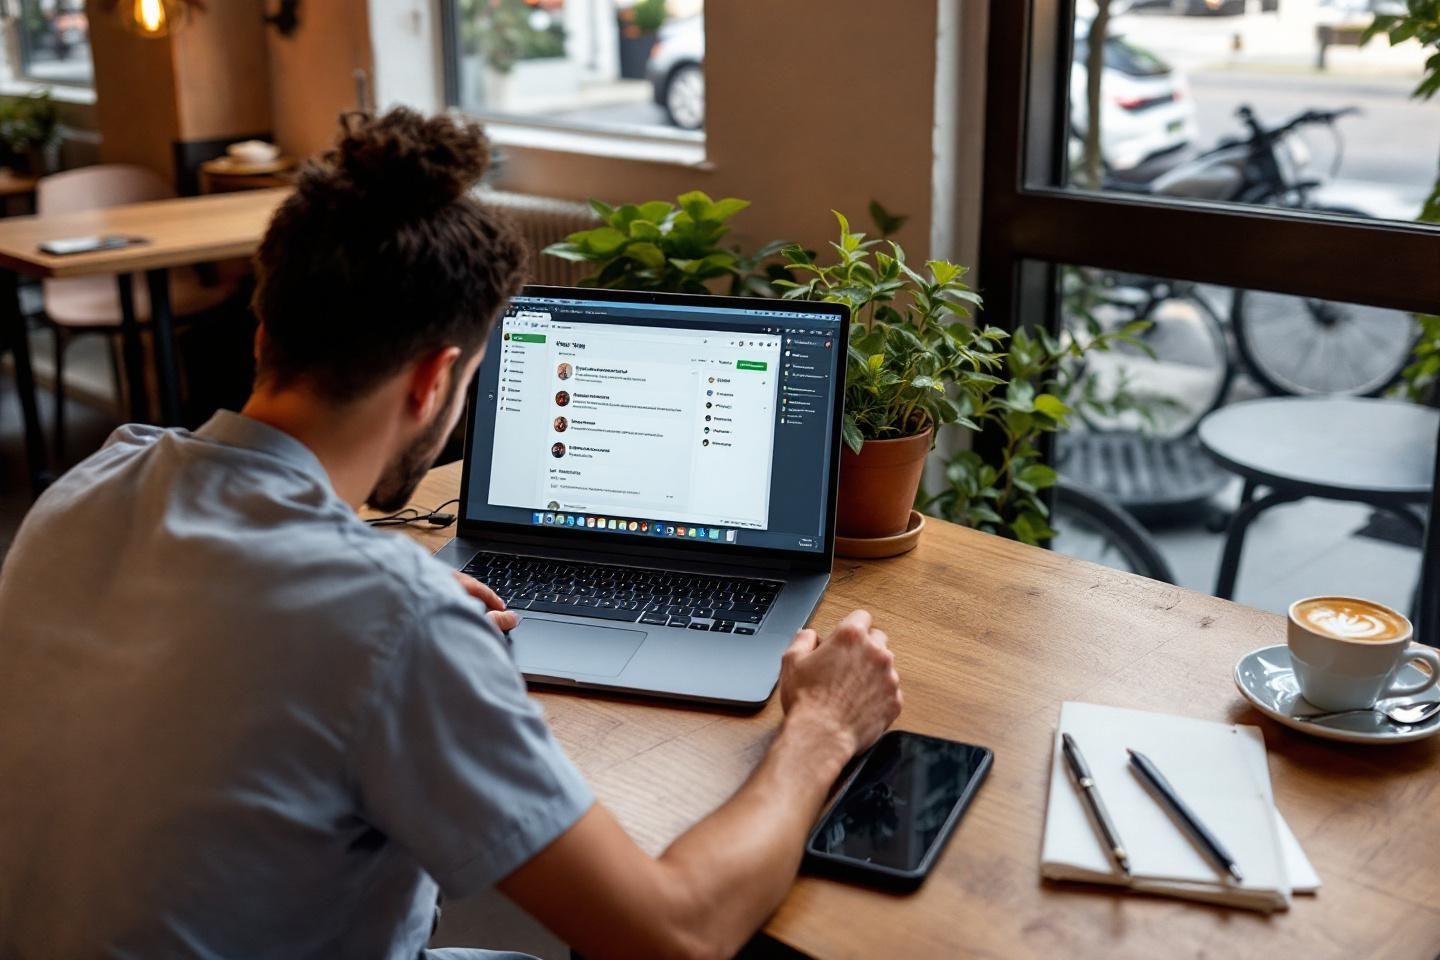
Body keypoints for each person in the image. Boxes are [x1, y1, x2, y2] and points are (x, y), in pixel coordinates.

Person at [0, 109, 902, 960]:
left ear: (263, 329)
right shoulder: (393, 620)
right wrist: (823, 727)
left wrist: (391, 593)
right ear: (435, 380)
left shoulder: (88, 485)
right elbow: (676, 933)